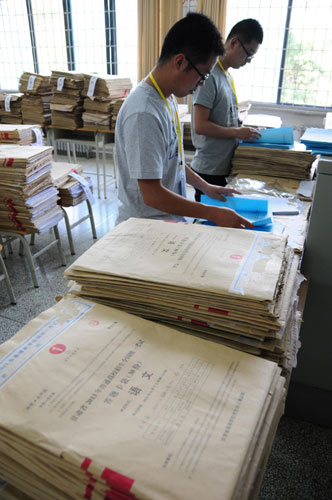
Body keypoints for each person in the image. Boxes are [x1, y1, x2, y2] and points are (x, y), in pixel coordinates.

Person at [115, 12, 252, 229]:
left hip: (166, 221)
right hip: (144, 228)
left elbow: (173, 160)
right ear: (180, 61)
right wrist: (212, 213)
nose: (201, 84)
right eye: (203, 75)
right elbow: (152, 195)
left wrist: (205, 187)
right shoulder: (143, 113)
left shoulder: (167, 98)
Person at [191, 18, 264, 201]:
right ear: (233, 43)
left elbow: (224, 118)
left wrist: (243, 130)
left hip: (223, 166)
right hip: (208, 170)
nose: (248, 61)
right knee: (206, 223)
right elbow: (200, 125)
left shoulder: (226, 75)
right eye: (248, 54)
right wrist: (237, 132)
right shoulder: (209, 76)